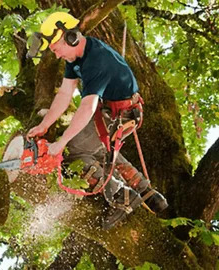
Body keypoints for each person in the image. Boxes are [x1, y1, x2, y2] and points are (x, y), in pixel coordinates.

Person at [26, 12, 168, 229]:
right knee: (95, 147)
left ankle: (122, 197)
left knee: (75, 151)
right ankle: (143, 188)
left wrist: (61, 143)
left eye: (56, 49)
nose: (56, 56)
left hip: (121, 114)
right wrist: (44, 125)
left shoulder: (96, 61)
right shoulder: (76, 58)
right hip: (110, 111)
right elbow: (65, 94)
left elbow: (87, 106)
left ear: (71, 38)